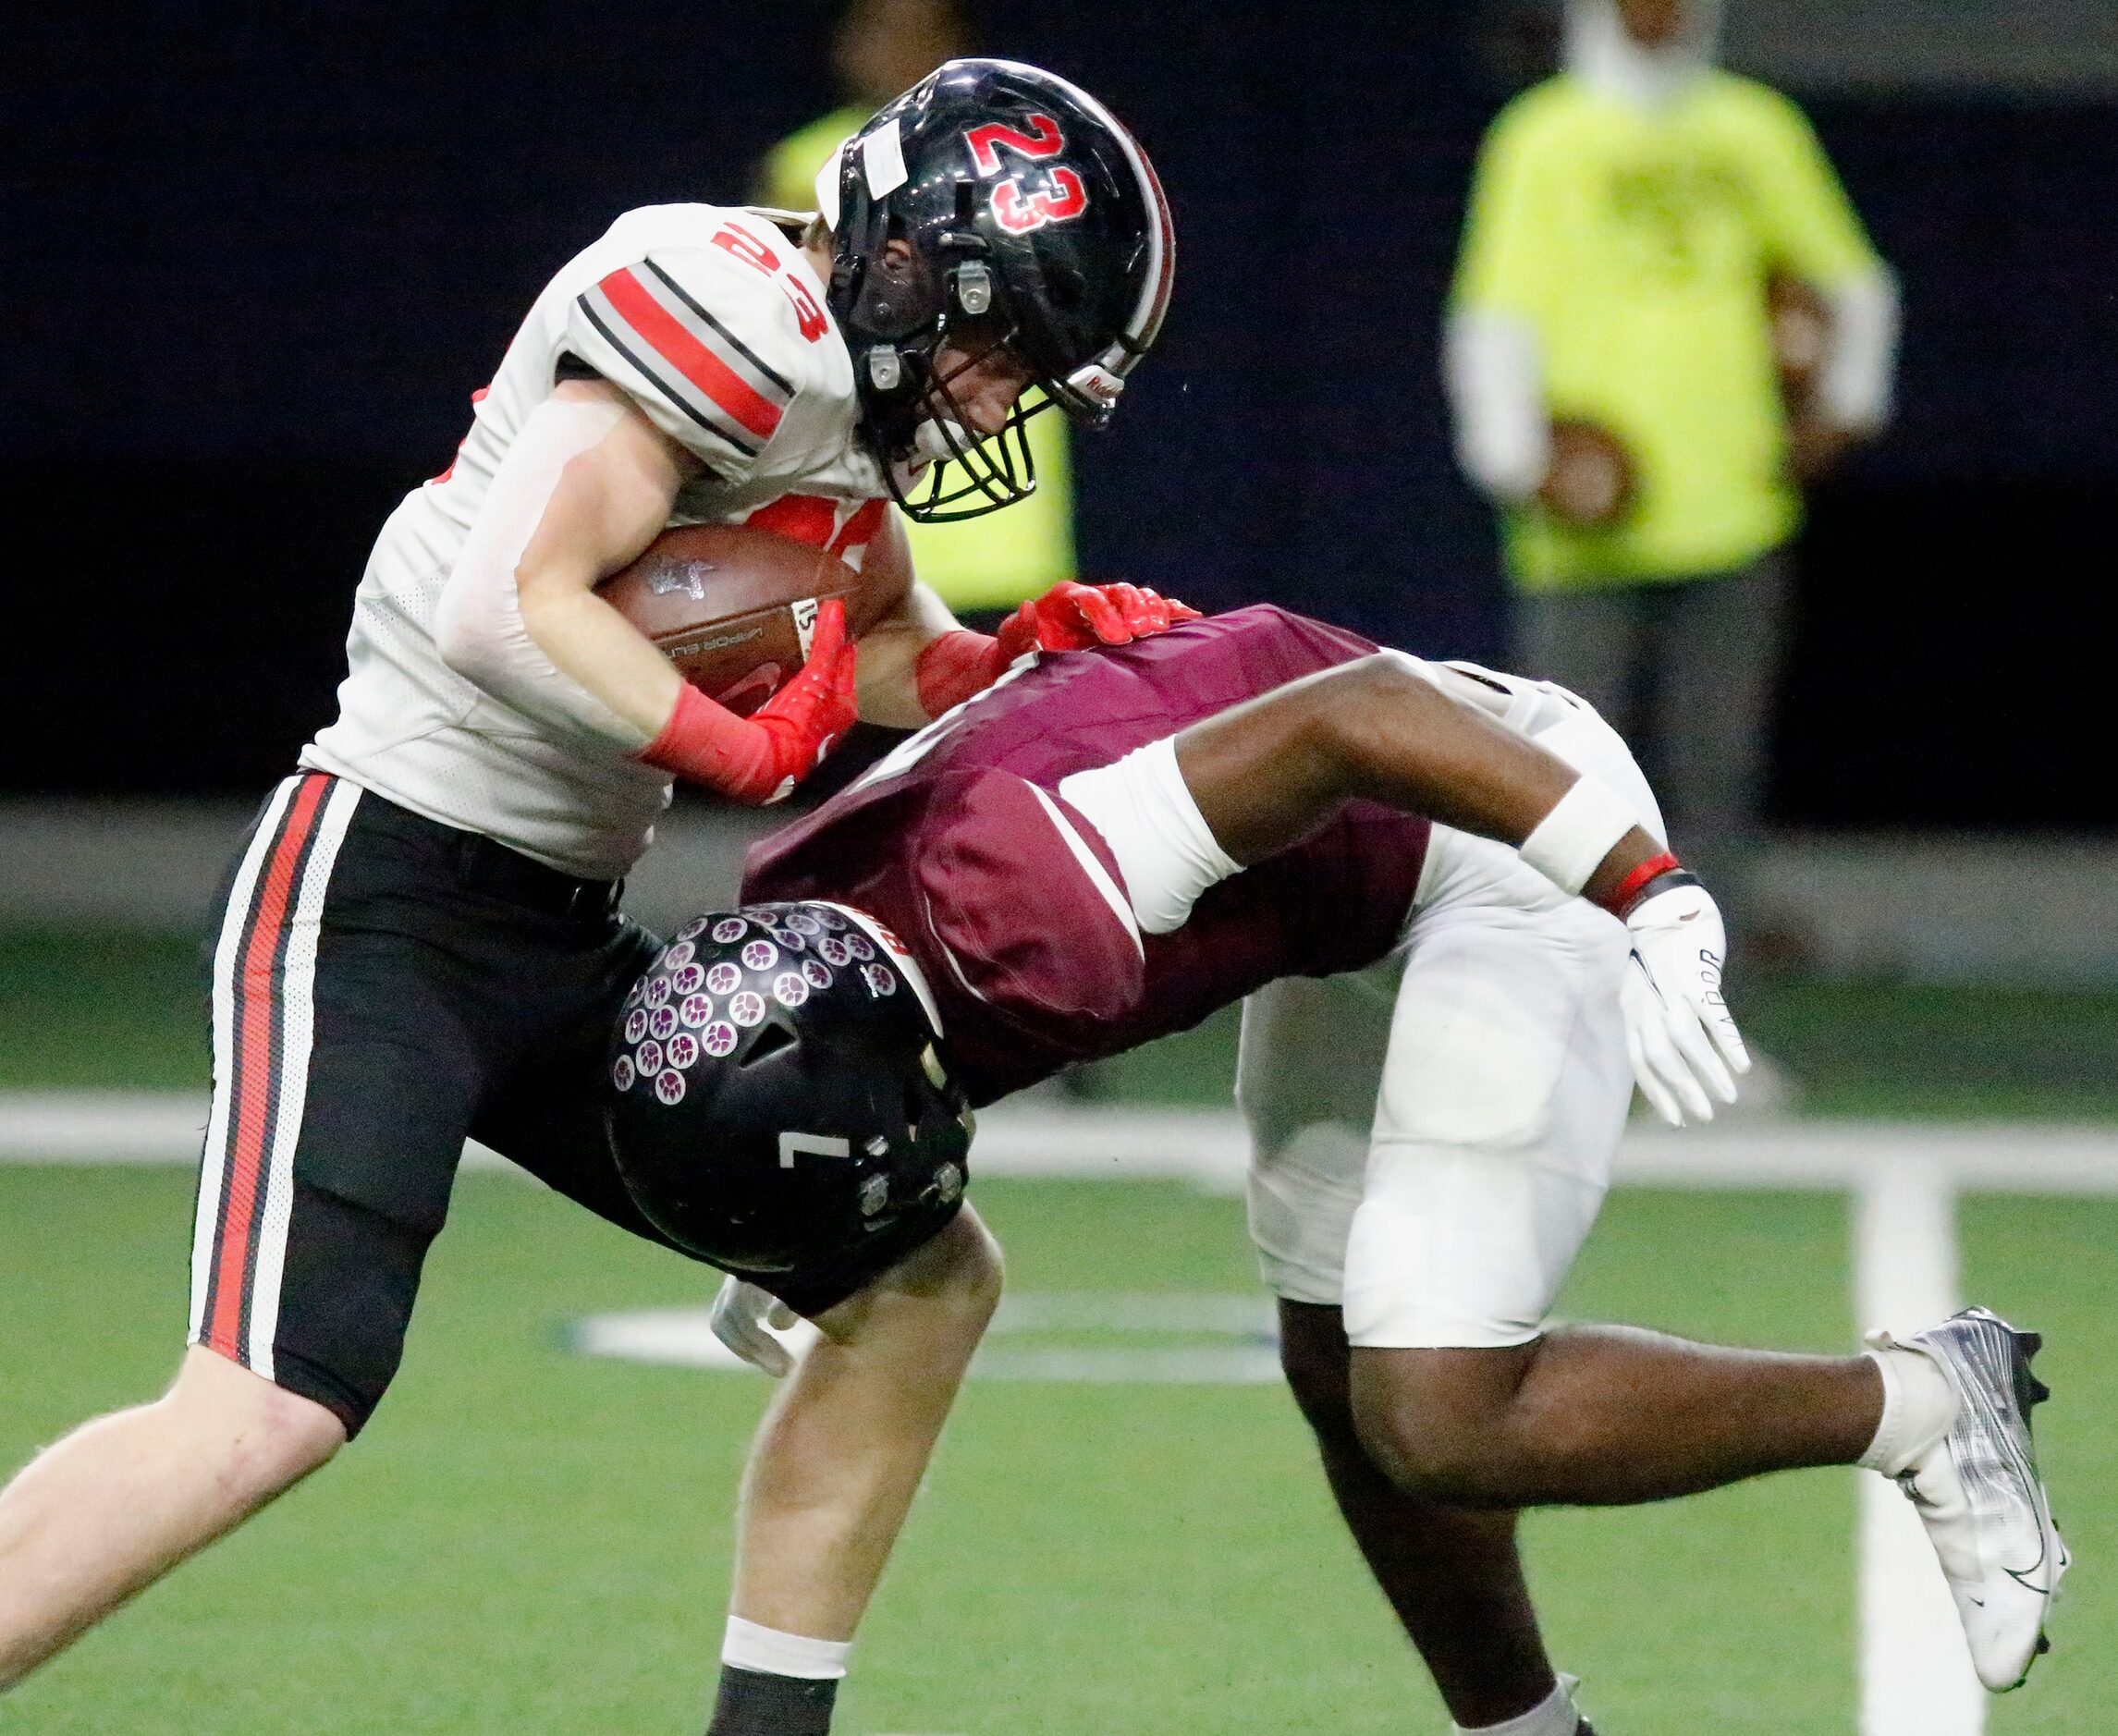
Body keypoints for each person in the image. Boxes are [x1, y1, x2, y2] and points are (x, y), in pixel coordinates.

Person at [0, 59, 1181, 1731]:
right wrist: (728, 740)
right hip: (385, 884)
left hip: (554, 924)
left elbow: (885, 650)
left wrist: (1026, 660)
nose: (1000, 400)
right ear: (914, 259)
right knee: (268, 1401)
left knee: (922, 1276)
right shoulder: (731, 309)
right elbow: (505, 602)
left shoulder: (846, 391)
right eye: (1005, 345)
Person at [618, 605, 2063, 1734]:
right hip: (1345, 884)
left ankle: (1923, 1401)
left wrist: (1646, 884)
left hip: (1501, 835)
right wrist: (786, 1216)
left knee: (1438, 1410)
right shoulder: (789, 927)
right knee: (1332, 1364)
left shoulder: (1032, 896)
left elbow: (1359, 717)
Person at [1445, 0, 1899, 905]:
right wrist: (1512, 460)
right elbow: (1492, 316)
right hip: (1582, 529)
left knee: (1715, 779)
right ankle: (1562, 989)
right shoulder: (1543, 135)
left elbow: (1849, 282)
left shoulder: (1752, 126)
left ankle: (1700, 1004)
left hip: (1733, 512)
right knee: (1560, 782)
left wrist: (1843, 406)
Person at [758, 0, 1083, 626]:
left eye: (918, 34)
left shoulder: (1012, 164)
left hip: (997, 514)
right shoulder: (811, 164)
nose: (894, 53)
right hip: (868, 496)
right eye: (877, 33)